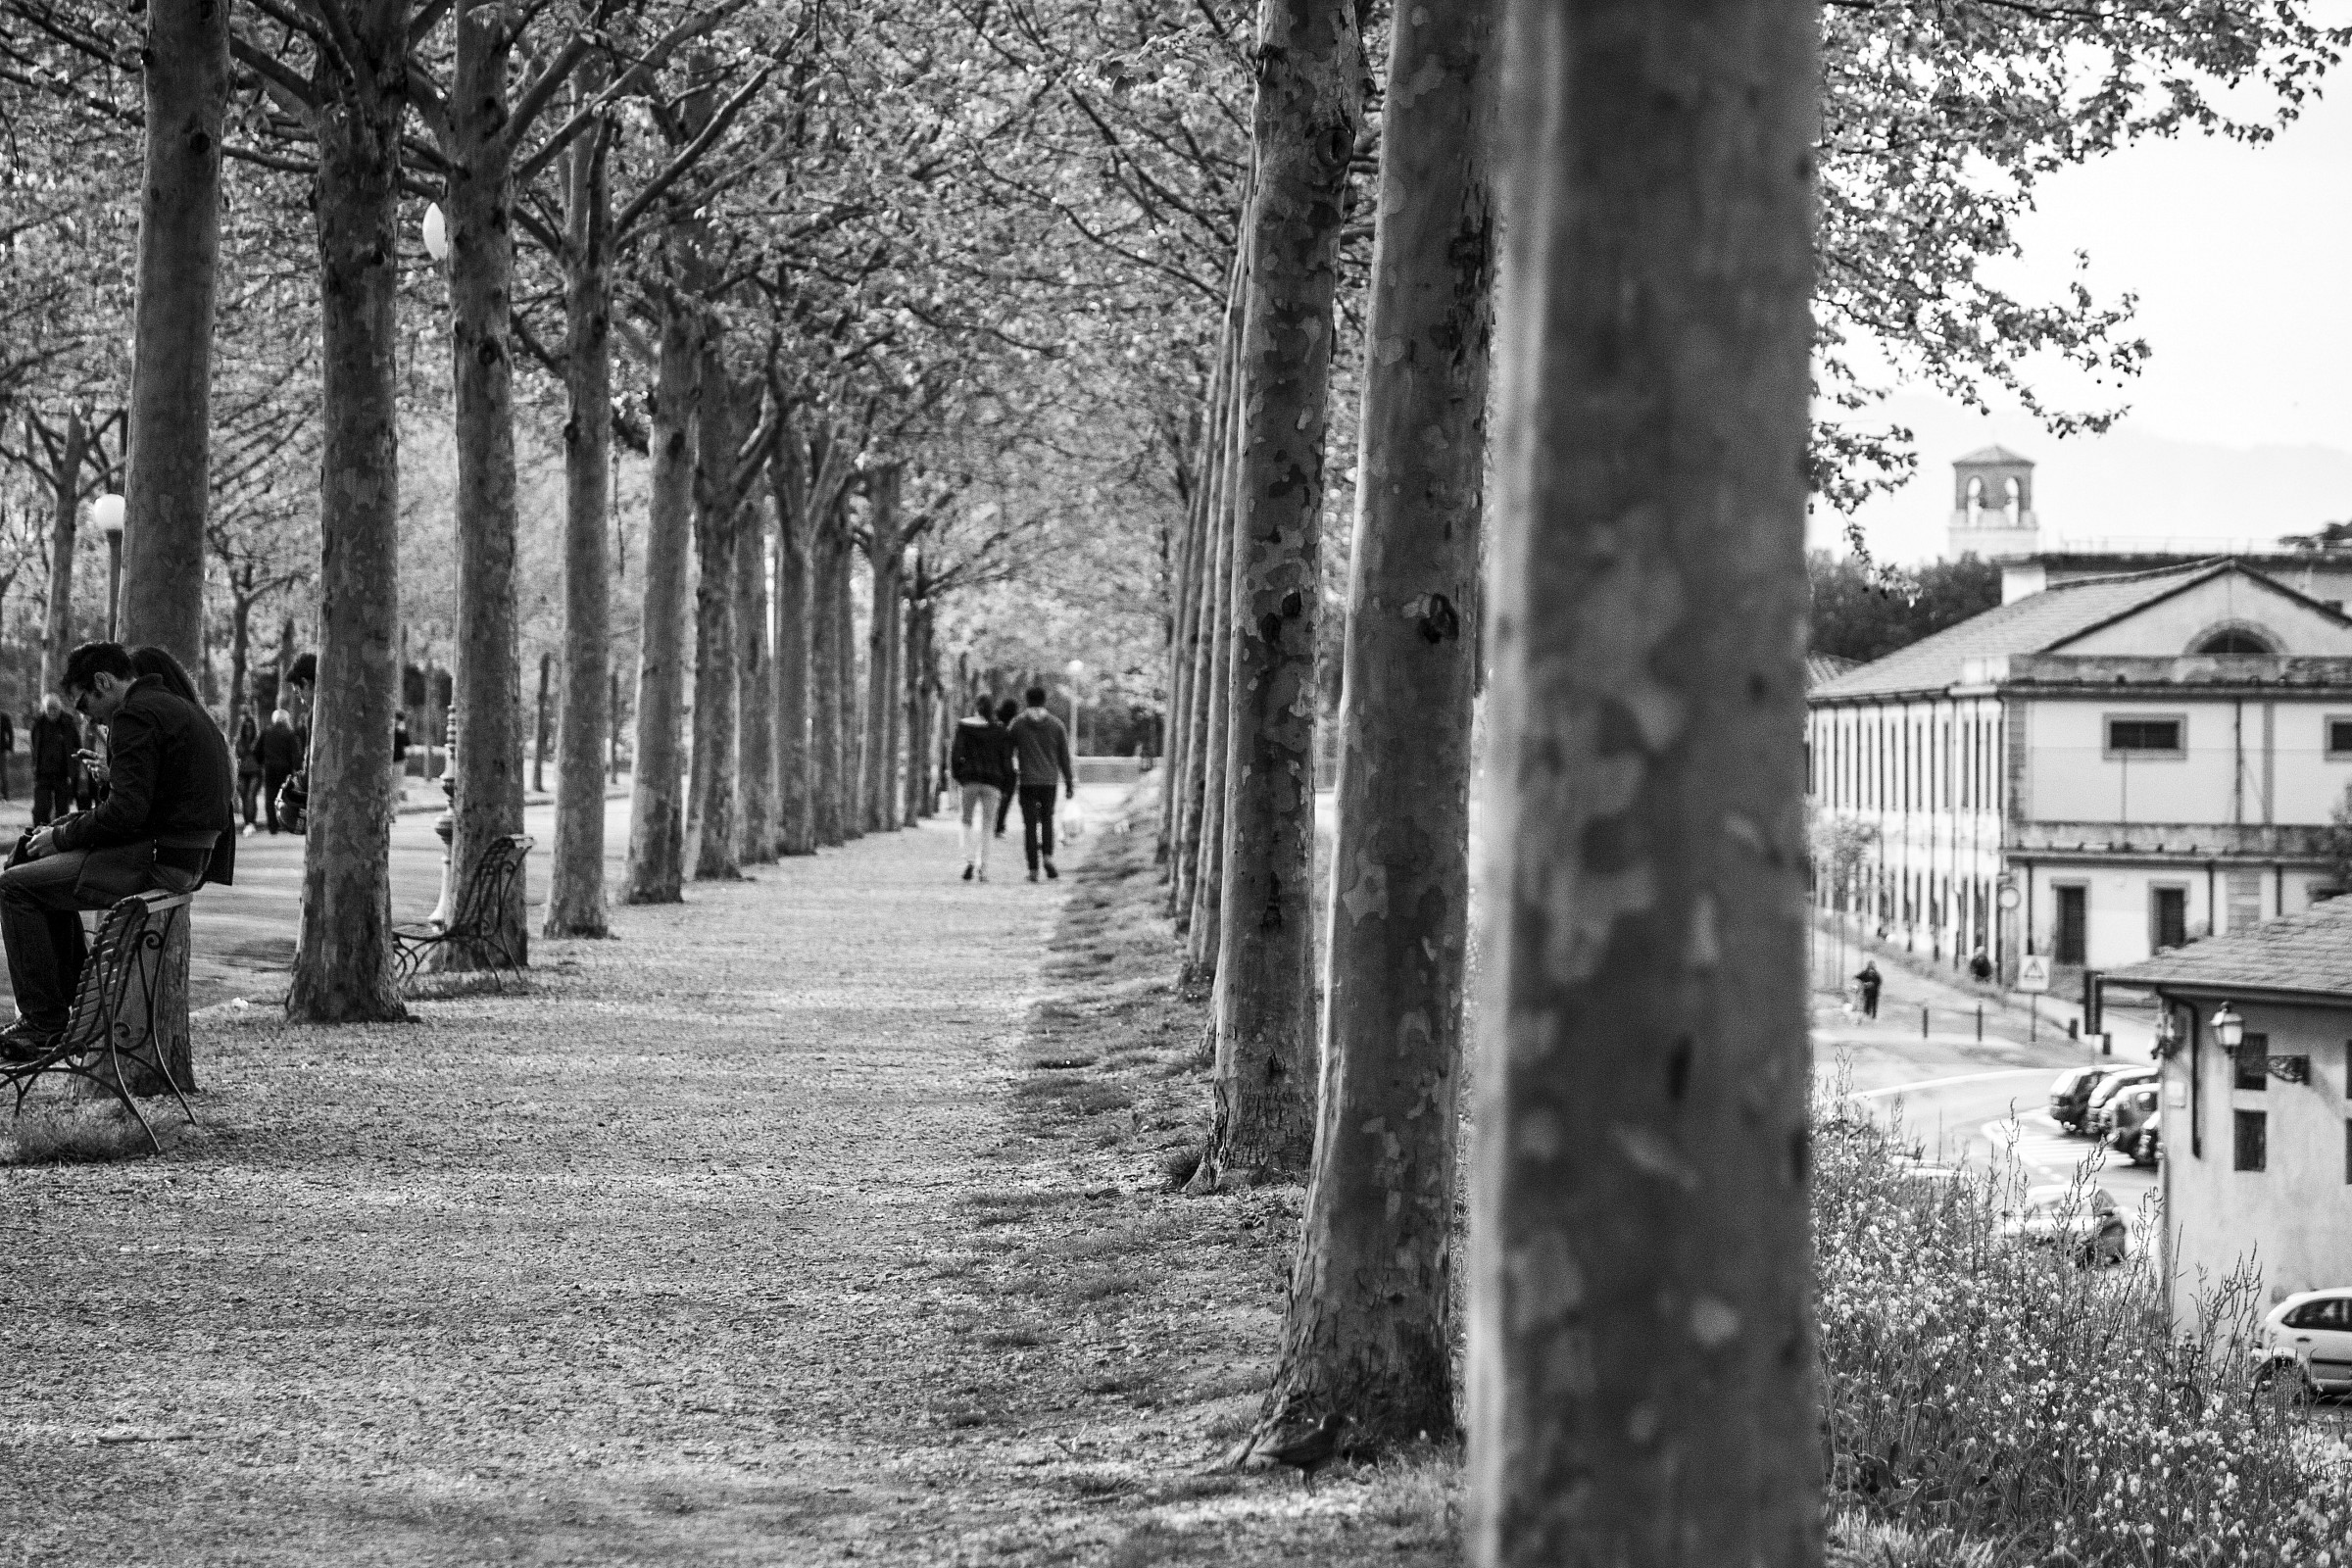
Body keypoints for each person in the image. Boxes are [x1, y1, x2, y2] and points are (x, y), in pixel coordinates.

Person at [0, 642, 235, 1058]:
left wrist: (60, 837)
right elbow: (150, 800)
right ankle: (69, 1008)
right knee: (41, 876)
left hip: (160, 860)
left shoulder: (134, 713)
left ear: (104, 682)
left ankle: (44, 1022)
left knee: (14, 887)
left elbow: (125, 815)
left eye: (85, 703)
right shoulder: (180, 707)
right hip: (185, 859)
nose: (87, 716)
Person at [1007, 684, 1075, 882]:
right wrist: (1069, 782)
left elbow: (1007, 750)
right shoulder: (1056, 725)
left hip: (1027, 782)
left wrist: (1009, 775)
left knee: (1029, 825)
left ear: (1026, 701)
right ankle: (1047, 855)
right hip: (1049, 782)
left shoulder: (1018, 724)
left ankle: (1033, 869)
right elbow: (1064, 757)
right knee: (1047, 820)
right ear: (1044, 701)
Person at [948, 694, 1017, 882]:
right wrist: (1005, 784)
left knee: (966, 821)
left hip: (970, 779)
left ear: (976, 708)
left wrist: (959, 776)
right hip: (993, 782)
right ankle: (983, 867)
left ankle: (968, 861)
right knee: (988, 825)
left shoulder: (964, 726)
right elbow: (1006, 760)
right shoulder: (1000, 730)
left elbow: (956, 754)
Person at [28, 694, 77, 828]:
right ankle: (38, 834)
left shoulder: (67, 723)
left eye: (55, 709)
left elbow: (76, 744)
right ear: (44, 709)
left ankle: (60, 834)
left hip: (62, 772)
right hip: (43, 772)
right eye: (49, 709)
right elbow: (33, 745)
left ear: (60, 709)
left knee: (62, 809)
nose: (52, 712)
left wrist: (74, 770)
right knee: (40, 808)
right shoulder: (38, 723)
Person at [257, 709, 302, 834]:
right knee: (285, 796)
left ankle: (272, 825)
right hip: (285, 769)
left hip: (270, 768)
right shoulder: (290, 733)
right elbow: (295, 754)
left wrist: (262, 763)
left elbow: (257, 750)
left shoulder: (266, 732)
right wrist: (297, 769)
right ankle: (285, 821)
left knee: (270, 796)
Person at [992, 697, 1020, 839]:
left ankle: (995, 823)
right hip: (1007, 766)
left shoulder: (995, 723)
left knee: (996, 796)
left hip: (994, 765)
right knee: (1006, 797)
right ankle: (999, 825)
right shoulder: (1010, 727)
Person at [234, 706, 264, 833]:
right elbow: (239, 753)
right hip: (242, 772)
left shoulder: (257, 741)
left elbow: (261, 756)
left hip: (255, 772)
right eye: (246, 727)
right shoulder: (239, 741)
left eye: (250, 727)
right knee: (244, 796)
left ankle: (251, 822)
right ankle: (248, 822)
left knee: (251, 796)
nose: (248, 730)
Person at [0, 708, 14, 800]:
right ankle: (5, 796)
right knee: (4, 773)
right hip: (2, 748)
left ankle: (5, 795)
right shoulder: (4, 717)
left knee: (4, 773)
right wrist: (9, 747)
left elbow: (10, 733)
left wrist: (9, 747)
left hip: (1, 749)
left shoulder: (4, 717)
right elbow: (10, 733)